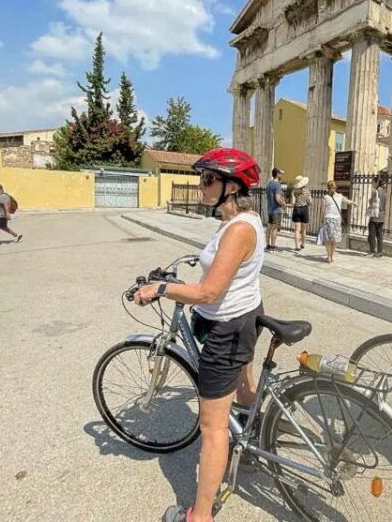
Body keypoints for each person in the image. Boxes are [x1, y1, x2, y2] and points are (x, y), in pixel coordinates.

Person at [133, 148, 265, 522]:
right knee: (243, 389)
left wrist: (160, 289)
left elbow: (208, 292)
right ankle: (256, 438)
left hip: (227, 328)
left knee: (213, 427)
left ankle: (200, 514)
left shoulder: (238, 229)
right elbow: (235, 272)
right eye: (202, 179)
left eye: (208, 179)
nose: (201, 185)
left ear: (231, 185)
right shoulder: (244, 220)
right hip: (244, 316)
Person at [321, 180, 354, 264]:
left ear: (328, 188)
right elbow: (347, 201)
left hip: (328, 219)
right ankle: (332, 256)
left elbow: (323, 210)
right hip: (337, 219)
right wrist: (354, 203)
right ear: (336, 187)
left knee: (328, 239)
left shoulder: (326, 197)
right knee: (334, 240)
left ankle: (328, 257)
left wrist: (322, 220)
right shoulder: (339, 196)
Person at [264, 167, 285, 252]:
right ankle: (272, 246)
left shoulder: (269, 184)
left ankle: (268, 245)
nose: (281, 175)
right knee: (275, 228)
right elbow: (278, 198)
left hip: (270, 209)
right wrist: (283, 204)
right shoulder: (277, 185)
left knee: (269, 227)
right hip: (276, 209)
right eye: (280, 173)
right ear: (277, 174)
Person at [290, 174, 312, 252]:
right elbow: (310, 202)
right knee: (304, 229)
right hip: (304, 209)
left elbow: (292, 203)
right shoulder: (307, 190)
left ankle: (297, 246)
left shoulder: (294, 191)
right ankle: (303, 244)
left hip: (297, 209)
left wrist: (294, 198)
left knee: (297, 230)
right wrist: (307, 205)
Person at [367, 176, 386, 257]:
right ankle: (380, 251)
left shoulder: (375, 192)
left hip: (375, 215)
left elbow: (371, 202)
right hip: (382, 215)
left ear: (376, 182)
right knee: (379, 235)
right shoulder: (385, 193)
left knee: (371, 234)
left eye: (373, 182)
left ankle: (372, 251)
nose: (372, 184)